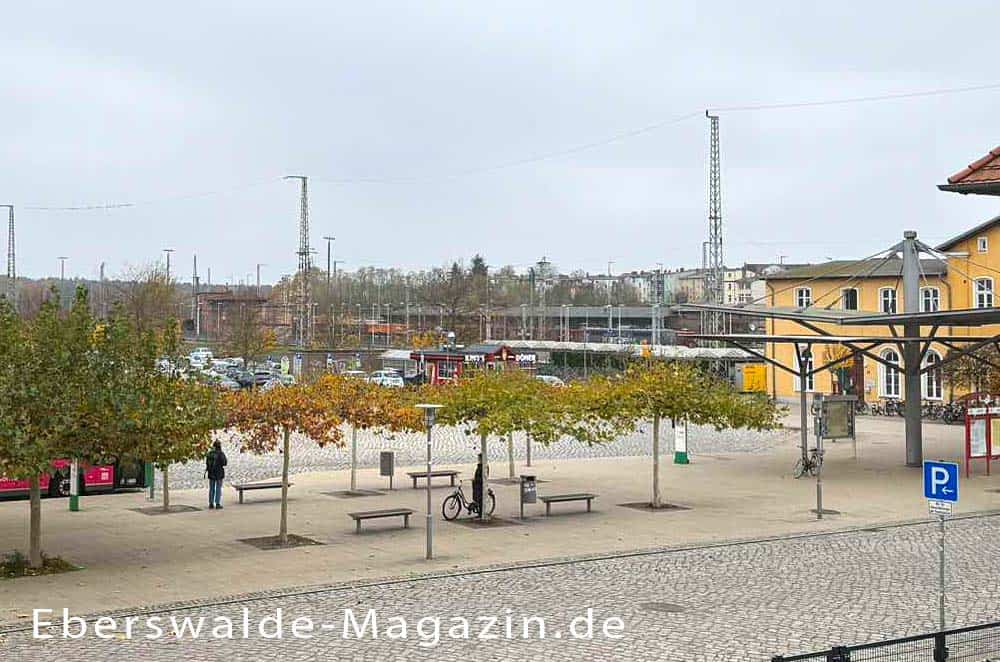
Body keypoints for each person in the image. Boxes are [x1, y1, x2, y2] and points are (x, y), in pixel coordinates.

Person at [205, 441, 228, 509]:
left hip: (211, 473)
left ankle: (211, 503)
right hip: (219, 473)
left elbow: (207, 463)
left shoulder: (210, 453)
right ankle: (217, 503)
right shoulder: (221, 453)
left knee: (211, 488)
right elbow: (224, 463)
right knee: (218, 488)